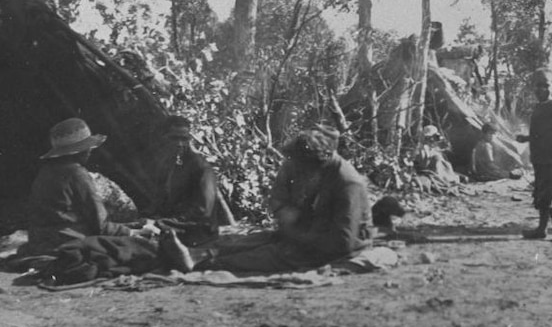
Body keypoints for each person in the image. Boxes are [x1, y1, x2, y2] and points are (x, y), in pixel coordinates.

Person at [161, 128, 374, 273]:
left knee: (273, 254)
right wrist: (290, 229)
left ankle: (203, 263)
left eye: (301, 170)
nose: (297, 175)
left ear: (313, 164)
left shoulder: (348, 184)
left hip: (339, 247)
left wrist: (296, 237)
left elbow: (342, 243)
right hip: (316, 234)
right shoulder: (321, 170)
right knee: (260, 239)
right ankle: (196, 254)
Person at [23, 118, 155, 256]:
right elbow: (100, 225)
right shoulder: (76, 173)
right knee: (139, 249)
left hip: (38, 240)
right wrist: (132, 232)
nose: (89, 152)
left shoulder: (46, 171)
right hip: (65, 241)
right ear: (79, 151)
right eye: (87, 149)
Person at [516, 69, 552, 242]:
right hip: (543, 159)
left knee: (547, 195)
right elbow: (542, 133)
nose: (542, 89)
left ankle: (544, 229)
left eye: (546, 86)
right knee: (548, 194)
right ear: (534, 89)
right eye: (539, 86)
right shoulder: (541, 107)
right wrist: (527, 138)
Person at [145, 115, 219, 246]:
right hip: (172, 226)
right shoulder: (166, 165)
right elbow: (160, 202)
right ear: (164, 138)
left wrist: (162, 223)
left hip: (196, 232)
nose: (180, 144)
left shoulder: (201, 168)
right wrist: (150, 220)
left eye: (184, 139)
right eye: (174, 138)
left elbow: (202, 212)